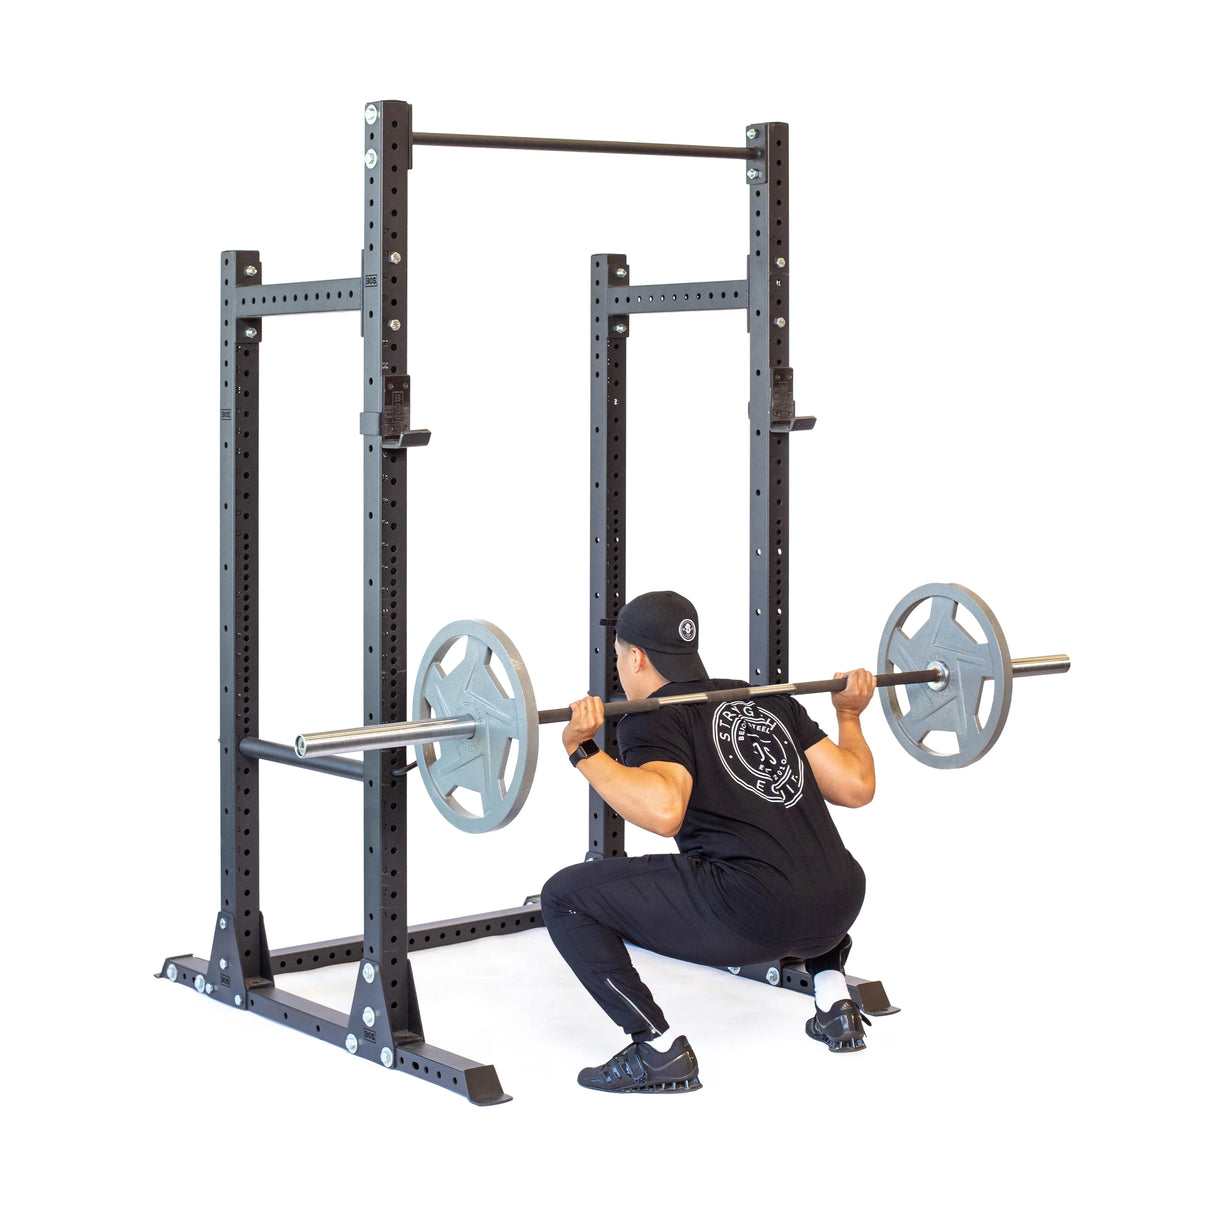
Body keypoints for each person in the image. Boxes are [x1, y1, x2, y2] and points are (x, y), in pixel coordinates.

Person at [541, 590, 877, 1094]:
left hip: (757, 915)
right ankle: (835, 1003)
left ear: (635, 657)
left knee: (563, 898)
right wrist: (849, 714)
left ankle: (654, 1048)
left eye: (617, 657)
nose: (619, 667)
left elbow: (664, 811)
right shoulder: (762, 699)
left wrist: (582, 749)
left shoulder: (651, 716)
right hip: (841, 902)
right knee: (801, 865)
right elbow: (855, 786)